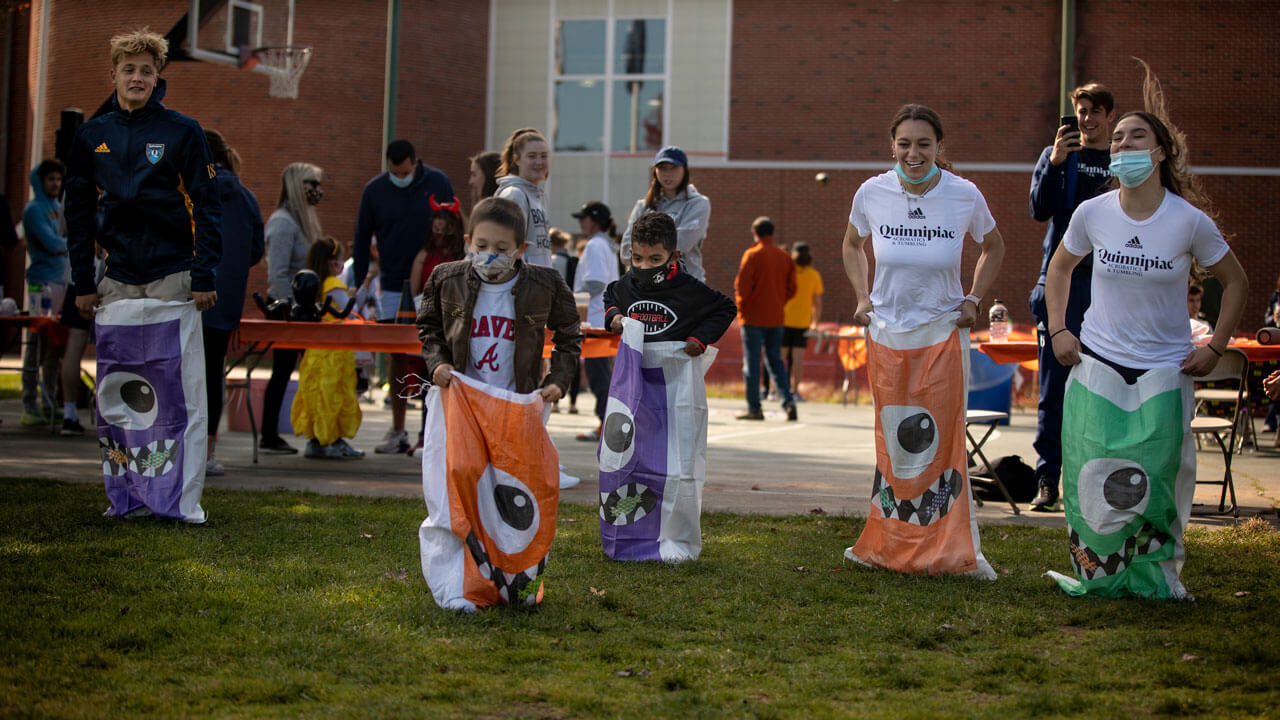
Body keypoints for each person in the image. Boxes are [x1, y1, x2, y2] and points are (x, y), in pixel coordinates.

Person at [1044, 62, 1247, 599]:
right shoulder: (1092, 212)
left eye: (1136, 136)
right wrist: (1059, 330)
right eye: (1117, 139)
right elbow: (1059, 267)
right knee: (1090, 469)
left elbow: (1237, 281)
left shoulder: (1188, 220)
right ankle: (1099, 572)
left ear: (1159, 153)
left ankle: (1158, 577)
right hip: (1099, 361)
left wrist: (1217, 346)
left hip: (1165, 366)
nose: (1124, 144)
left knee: (1158, 477)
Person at [841, 104, 1006, 578]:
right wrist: (862, 296)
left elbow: (993, 246)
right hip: (887, 332)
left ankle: (951, 551)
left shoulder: (963, 194)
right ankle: (888, 545)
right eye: (905, 143)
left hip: (943, 333)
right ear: (892, 145)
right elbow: (852, 244)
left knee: (944, 439)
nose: (914, 153)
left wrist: (973, 298)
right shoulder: (872, 192)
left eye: (924, 144)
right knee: (895, 441)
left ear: (939, 147)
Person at [65, 28, 221, 524]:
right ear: (112, 75)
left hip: (173, 278)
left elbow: (208, 205)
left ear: (158, 78)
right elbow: (78, 213)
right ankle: (127, 494)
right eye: (128, 69)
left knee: (175, 392)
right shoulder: (91, 136)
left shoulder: (182, 131)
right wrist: (83, 283)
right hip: (117, 280)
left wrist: (204, 272)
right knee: (120, 393)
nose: (137, 78)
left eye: (146, 71)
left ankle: (177, 498)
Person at [601, 212, 736, 562]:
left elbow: (725, 308)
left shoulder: (688, 289)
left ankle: (675, 540)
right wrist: (614, 316)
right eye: (638, 258)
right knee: (624, 458)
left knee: (678, 464)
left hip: (675, 390)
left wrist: (700, 338)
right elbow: (610, 295)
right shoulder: (627, 283)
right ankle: (626, 535)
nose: (645, 266)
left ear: (674, 257)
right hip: (633, 389)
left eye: (656, 260)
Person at [1027, 82, 1117, 512]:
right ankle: (1048, 478)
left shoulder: (1121, 160)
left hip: (1110, 286)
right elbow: (1039, 210)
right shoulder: (1057, 156)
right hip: (1061, 284)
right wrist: (1055, 163)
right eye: (1081, 110)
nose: (1087, 118)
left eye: (1095, 111)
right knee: (1054, 390)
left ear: (1109, 116)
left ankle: (1100, 479)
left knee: (1106, 385)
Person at [417, 195, 581, 405]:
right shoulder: (446, 279)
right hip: (461, 401)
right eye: (482, 245)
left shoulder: (545, 284)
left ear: (521, 249)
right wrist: (438, 362)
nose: (490, 255)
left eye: (502, 249)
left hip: (515, 402)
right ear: (468, 242)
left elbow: (569, 333)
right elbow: (428, 326)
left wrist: (558, 380)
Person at [351, 140, 455, 455]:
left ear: (414, 163)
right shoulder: (375, 190)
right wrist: (359, 284)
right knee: (396, 354)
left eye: (405, 171)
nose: (400, 176)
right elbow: (360, 237)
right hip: (393, 284)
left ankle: (432, 432)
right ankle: (398, 430)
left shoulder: (437, 182)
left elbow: (452, 225)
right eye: (395, 172)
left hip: (434, 281)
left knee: (433, 354)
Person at [200, 129, 264, 475]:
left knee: (180, 372)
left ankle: (180, 446)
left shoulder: (191, 192)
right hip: (225, 300)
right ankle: (208, 452)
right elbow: (256, 248)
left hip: (187, 294)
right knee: (213, 372)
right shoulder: (245, 196)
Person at [259, 162, 324, 454]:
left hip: (307, 314)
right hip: (290, 315)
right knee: (283, 372)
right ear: (298, 185)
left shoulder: (304, 220)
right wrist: (290, 313)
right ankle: (269, 435)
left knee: (315, 372)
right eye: (312, 183)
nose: (317, 189)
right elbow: (277, 274)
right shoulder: (283, 222)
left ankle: (320, 434)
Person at [291, 236, 365, 460]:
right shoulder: (334, 286)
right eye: (340, 262)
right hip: (335, 352)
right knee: (334, 397)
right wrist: (354, 295)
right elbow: (350, 310)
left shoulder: (313, 286)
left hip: (316, 351)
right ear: (332, 264)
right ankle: (330, 440)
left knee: (317, 396)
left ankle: (318, 439)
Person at [407, 196, 466, 458]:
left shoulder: (462, 256)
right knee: (427, 381)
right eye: (437, 224)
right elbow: (415, 290)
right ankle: (425, 435)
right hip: (432, 325)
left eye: (446, 224)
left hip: (457, 326)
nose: (440, 230)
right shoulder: (425, 254)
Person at [734, 216, 798, 422]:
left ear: (755, 233)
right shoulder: (784, 256)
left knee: (752, 363)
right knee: (776, 361)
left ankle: (755, 408)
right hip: (776, 317)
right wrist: (779, 302)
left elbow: (742, 288)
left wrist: (742, 309)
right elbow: (792, 288)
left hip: (753, 318)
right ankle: (788, 402)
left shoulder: (752, 255)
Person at [21, 159, 68, 427]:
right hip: (41, 282)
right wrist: (73, 244)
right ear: (40, 181)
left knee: (55, 346)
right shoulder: (33, 209)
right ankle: (30, 403)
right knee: (36, 343)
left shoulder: (56, 207)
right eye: (50, 179)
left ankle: (49, 400)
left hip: (60, 280)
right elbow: (51, 243)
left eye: (58, 180)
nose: (55, 184)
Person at [619, 146, 712, 283]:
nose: (668, 174)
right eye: (662, 168)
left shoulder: (698, 204)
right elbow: (626, 251)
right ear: (655, 172)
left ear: (684, 170)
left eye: (673, 168)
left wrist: (642, 248)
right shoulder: (643, 206)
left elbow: (682, 243)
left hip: (685, 287)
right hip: (646, 287)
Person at [571, 202, 620, 442]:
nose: (580, 222)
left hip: (594, 320)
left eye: (584, 218)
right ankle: (608, 423)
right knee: (602, 374)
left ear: (595, 220)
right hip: (603, 318)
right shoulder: (608, 246)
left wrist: (572, 298)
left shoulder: (595, 246)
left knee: (598, 376)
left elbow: (596, 282)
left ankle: (607, 426)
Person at [494, 128, 553, 268]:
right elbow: (504, 248)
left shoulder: (537, 197)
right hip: (521, 286)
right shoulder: (514, 194)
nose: (539, 162)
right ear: (516, 159)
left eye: (544, 156)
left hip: (539, 284)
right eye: (532, 156)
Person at [781, 242, 823, 401]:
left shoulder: (786, 273)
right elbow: (817, 303)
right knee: (797, 359)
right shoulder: (814, 275)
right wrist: (815, 322)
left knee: (780, 357)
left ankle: (775, 389)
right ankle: (794, 391)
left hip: (784, 320)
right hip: (803, 322)